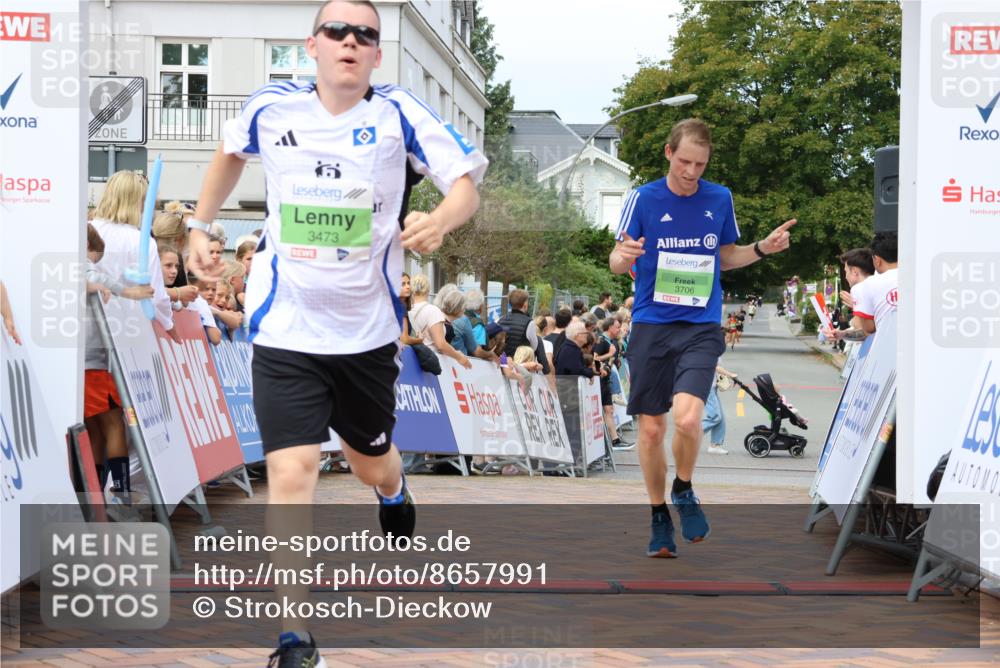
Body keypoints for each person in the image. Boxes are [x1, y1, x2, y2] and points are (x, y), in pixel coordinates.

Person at [185, 1, 487, 662]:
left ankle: (394, 490)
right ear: (312, 46)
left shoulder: (398, 113)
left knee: (367, 459)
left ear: (377, 54)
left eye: (366, 35)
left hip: (366, 331)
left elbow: (464, 182)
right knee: (292, 471)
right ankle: (295, 637)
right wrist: (201, 226)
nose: (350, 42)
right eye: (337, 31)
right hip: (285, 324)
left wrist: (442, 220)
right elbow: (229, 151)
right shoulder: (274, 107)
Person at [610, 118, 795, 558]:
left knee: (690, 419)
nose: (692, 172)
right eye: (685, 162)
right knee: (652, 431)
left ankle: (684, 489)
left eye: (701, 164)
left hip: (700, 326)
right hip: (653, 324)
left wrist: (762, 249)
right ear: (668, 153)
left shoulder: (719, 198)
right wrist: (623, 255)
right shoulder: (643, 198)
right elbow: (618, 259)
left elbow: (725, 256)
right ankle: (658, 514)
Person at [83, 224, 154, 502]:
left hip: (87, 361)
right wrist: (127, 292)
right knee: (113, 425)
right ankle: (120, 492)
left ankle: (95, 496)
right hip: (94, 361)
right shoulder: (80, 266)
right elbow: (88, 275)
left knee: (97, 432)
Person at [409, 276, 472, 368]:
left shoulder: (407, 310)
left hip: (412, 359)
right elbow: (440, 344)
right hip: (429, 362)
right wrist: (459, 356)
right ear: (428, 290)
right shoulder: (433, 311)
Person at [594, 317, 632, 451]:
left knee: (609, 410)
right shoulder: (601, 341)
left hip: (606, 381)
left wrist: (615, 361)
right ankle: (602, 441)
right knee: (602, 411)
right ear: (609, 327)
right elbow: (594, 358)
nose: (619, 330)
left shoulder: (613, 342)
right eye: (617, 327)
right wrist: (609, 355)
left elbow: (612, 358)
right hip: (598, 381)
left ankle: (615, 440)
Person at [498, 289, 549, 374]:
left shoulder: (501, 319)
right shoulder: (529, 322)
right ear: (525, 304)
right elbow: (534, 346)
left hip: (503, 364)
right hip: (520, 366)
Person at [702, 366, 737, 455]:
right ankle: (688, 435)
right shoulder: (709, 351)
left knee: (721, 418)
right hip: (706, 386)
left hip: (712, 386)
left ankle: (715, 446)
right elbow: (713, 364)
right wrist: (730, 374)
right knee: (715, 416)